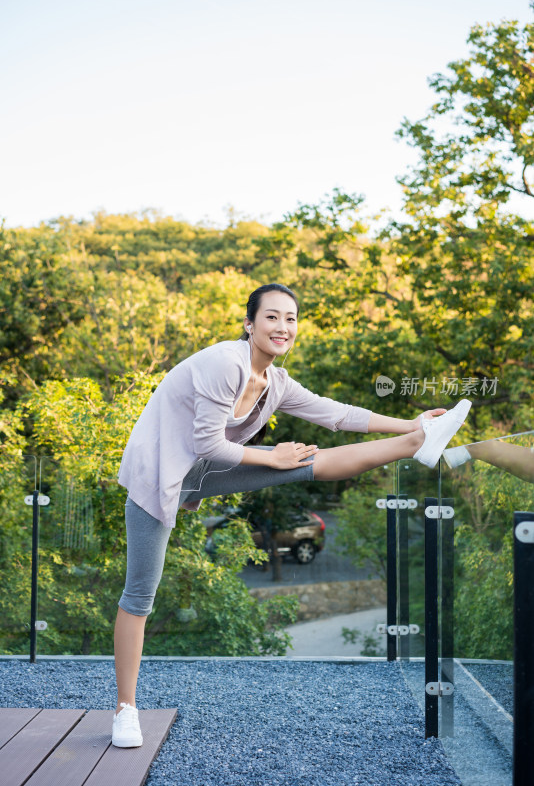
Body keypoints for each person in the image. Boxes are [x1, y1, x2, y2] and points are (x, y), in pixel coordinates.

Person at [111, 283, 471, 747]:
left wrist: (412, 422)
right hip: (158, 474)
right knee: (140, 595)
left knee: (306, 463)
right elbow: (205, 443)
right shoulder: (227, 363)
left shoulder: (277, 383)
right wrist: (273, 457)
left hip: (206, 468)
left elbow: (337, 415)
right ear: (250, 324)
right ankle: (125, 709)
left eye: (292, 318)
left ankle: (417, 442)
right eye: (272, 317)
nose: (283, 327)